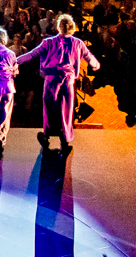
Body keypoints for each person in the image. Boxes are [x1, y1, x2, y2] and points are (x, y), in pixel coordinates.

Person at [16, 13, 99, 153]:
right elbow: (88, 56)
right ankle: (62, 139)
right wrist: (94, 63)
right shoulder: (76, 43)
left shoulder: (51, 42)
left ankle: (49, 136)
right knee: (64, 110)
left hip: (54, 80)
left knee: (52, 109)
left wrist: (15, 60)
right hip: (64, 79)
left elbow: (32, 54)